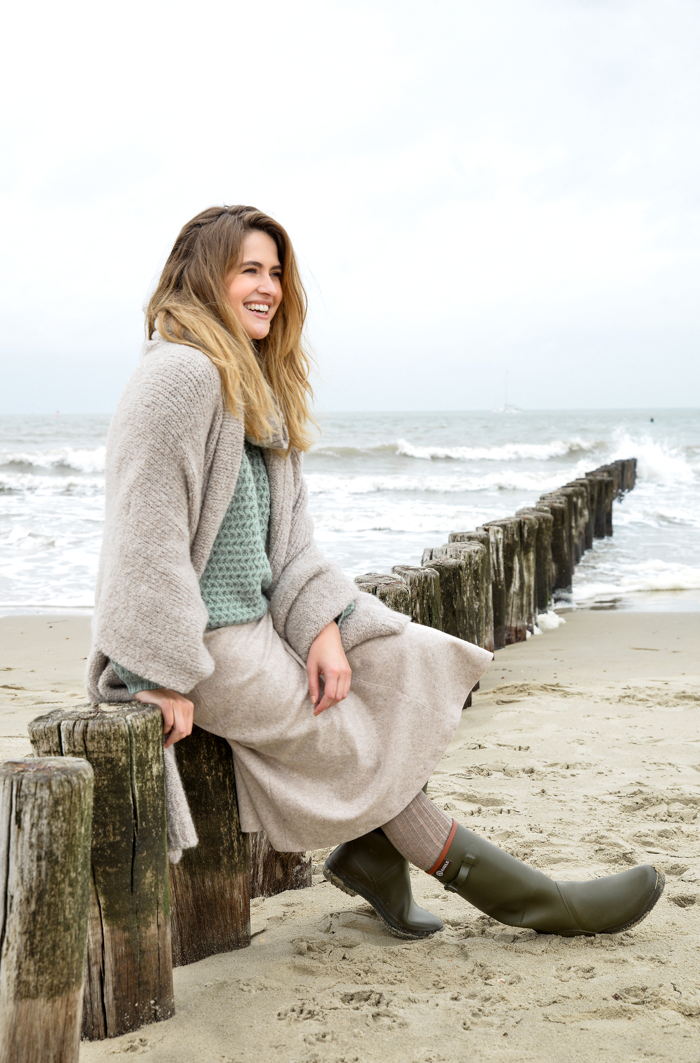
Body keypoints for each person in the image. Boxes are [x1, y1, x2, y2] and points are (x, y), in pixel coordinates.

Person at [87, 205, 664, 941]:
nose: (267, 288)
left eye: (275, 273)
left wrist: (322, 624)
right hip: (205, 643)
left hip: (264, 617)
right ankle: (531, 899)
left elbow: (289, 539)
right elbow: (146, 532)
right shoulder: (180, 374)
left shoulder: (252, 383)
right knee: (354, 747)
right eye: (247, 271)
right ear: (204, 278)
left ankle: (371, 853)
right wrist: (156, 672)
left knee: (405, 658)